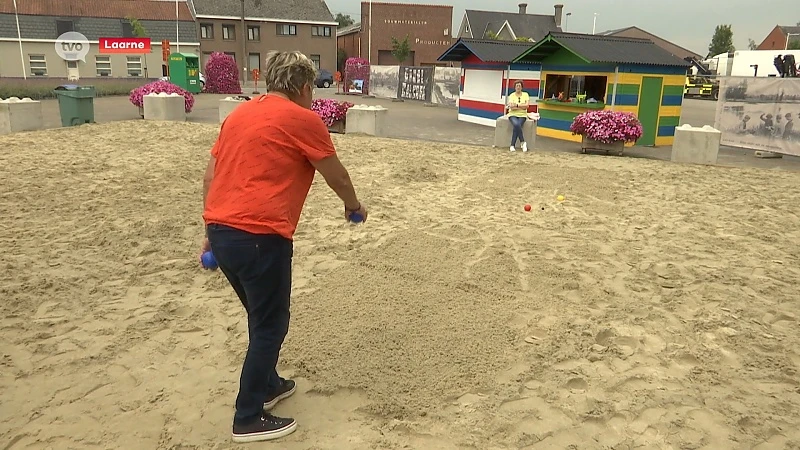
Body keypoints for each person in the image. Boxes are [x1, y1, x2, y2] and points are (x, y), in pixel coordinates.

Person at [200, 50, 367, 443]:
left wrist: (209, 230)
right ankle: (248, 415)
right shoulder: (303, 119)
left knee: (260, 316)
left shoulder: (237, 115)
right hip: (261, 237)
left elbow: (211, 174)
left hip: (223, 234)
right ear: (305, 86)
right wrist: (354, 206)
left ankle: (270, 384)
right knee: (271, 325)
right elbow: (336, 175)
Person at [506, 80, 530, 152]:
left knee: (517, 126)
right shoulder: (512, 95)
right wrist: (521, 106)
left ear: (522, 87)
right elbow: (511, 107)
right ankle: (523, 142)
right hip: (512, 114)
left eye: (519, 86)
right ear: (514, 87)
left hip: (522, 115)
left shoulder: (525, 95)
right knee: (516, 124)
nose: (518, 87)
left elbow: (527, 106)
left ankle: (512, 145)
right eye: (517, 86)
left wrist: (516, 105)